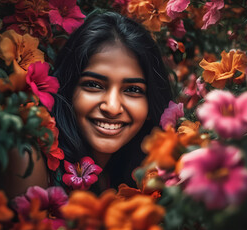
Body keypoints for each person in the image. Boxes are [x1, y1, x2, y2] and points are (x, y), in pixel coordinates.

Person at [50, 11, 173, 192]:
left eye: (133, 90)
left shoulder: (135, 176)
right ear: (68, 89)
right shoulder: (32, 161)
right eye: (94, 85)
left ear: (150, 105)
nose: (112, 108)